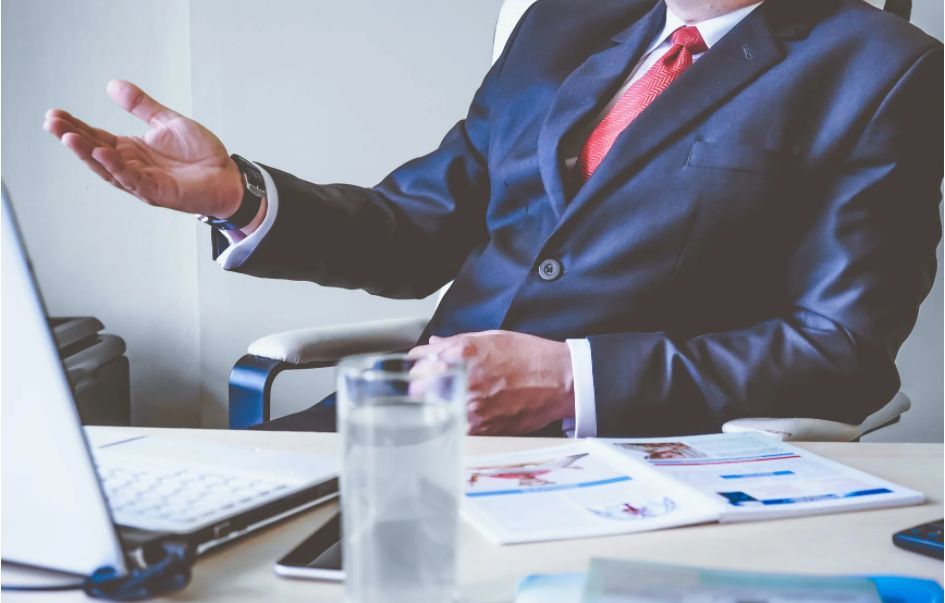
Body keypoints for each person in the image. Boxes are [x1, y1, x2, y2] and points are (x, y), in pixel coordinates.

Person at [44, 0, 943, 438]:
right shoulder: (568, 21)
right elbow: (419, 226)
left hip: (635, 454)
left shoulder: (883, 68)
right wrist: (239, 196)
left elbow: (839, 346)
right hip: (417, 422)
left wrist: (569, 381)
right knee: (159, 541)